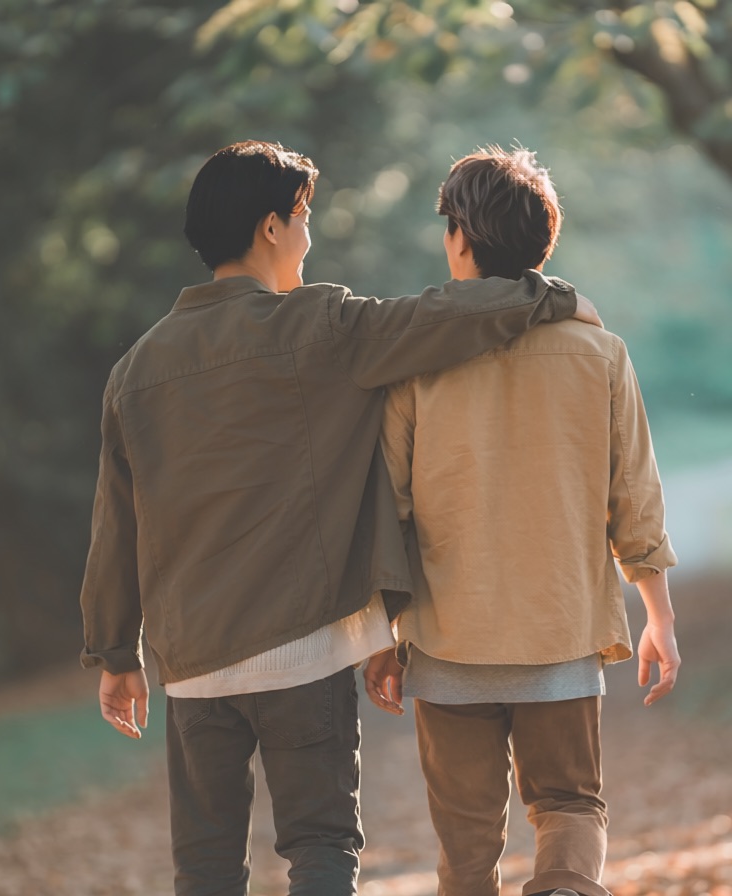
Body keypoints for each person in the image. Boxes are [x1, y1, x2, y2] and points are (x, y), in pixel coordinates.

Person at [77, 139, 599, 896]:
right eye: (303, 218)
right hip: (304, 653)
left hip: (193, 664)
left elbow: (115, 523)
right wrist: (551, 298)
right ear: (269, 228)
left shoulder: (136, 372)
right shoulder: (318, 327)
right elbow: (441, 317)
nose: (308, 236)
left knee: (206, 865)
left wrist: (115, 652)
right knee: (321, 848)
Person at [365, 146, 680, 896]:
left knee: (467, 849)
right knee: (570, 806)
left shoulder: (416, 363)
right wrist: (659, 617)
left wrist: (378, 636)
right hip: (559, 636)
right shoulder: (599, 352)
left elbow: (388, 510)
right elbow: (634, 496)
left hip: (446, 644)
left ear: (461, 238)